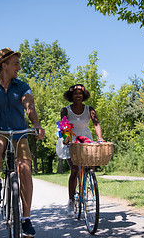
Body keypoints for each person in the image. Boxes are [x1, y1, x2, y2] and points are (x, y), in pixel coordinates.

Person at [0, 47, 45, 237]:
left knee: (25, 170)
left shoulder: (22, 86)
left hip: (19, 132)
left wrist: (36, 124)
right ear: (3, 65)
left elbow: (29, 106)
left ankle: (26, 219)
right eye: (15, 64)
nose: (19, 68)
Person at [60, 84, 104, 217]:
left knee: (90, 167)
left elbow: (96, 123)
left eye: (80, 93)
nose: (78, 96)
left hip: (85, 140)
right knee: (74, 170)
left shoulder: (89, 109)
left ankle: (86, 184)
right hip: (70, 141)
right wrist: (66, 138)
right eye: (75, 94)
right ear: (71, 96)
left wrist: (100, 138)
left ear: (84, 96)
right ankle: (71, 201)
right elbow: (63, 125)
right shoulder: (65, 110)